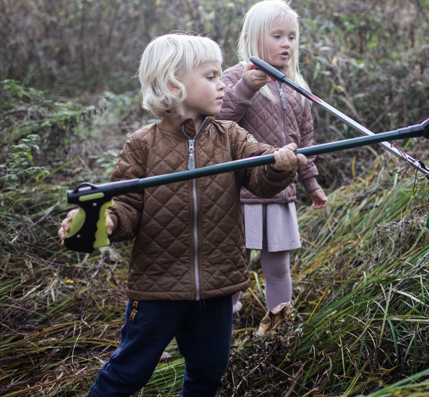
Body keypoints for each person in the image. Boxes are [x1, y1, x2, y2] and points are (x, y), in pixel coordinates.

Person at [57, 33, 308, 396]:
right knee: (128, 373)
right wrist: (107, 221)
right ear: (174, 85)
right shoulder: (143, 145)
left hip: (218, 286)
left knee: (207, 375)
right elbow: (125, 206)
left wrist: (279, 166)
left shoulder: (231, 137)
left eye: (221, 75)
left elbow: (260, 177)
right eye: (211, 77)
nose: (224, 84)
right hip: (157, 287)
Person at [216, 0, 327, 331]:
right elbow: (218, 122)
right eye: (277, 36)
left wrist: (312, 183)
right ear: (253, 37)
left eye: (292, 37)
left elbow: (305, 143)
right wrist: (245, 88)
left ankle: (281, 321)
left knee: (278, 266)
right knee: (233, 265)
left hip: (280, 194)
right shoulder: (235, 77)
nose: (286, 44)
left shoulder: (296, 87)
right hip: (240, 194)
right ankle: (223, 323)